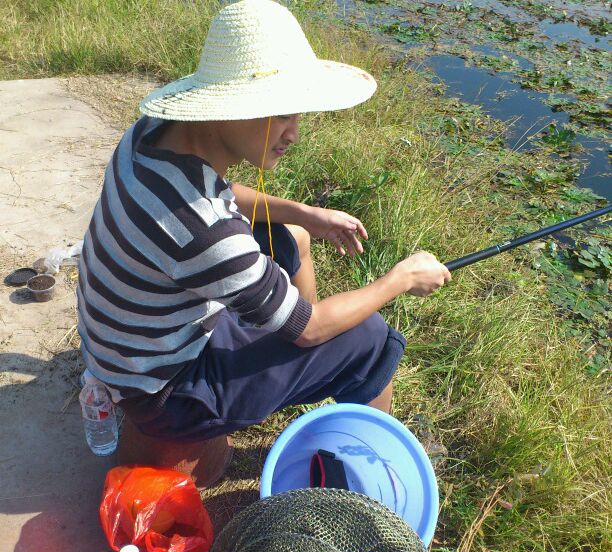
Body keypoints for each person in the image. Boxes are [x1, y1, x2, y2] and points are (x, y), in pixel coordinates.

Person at [77, 0, 451, 441]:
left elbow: (219, 194)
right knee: (369, 339)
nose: (294, 133)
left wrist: (304, 214)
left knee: (292, 236)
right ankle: (367, 451)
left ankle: (302, 359)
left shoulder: (152, 132)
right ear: (233, 107)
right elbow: (310, 329)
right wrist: (402, 278)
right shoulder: (206, 232)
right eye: (282, 114)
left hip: (128, 348)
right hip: (165, 392)